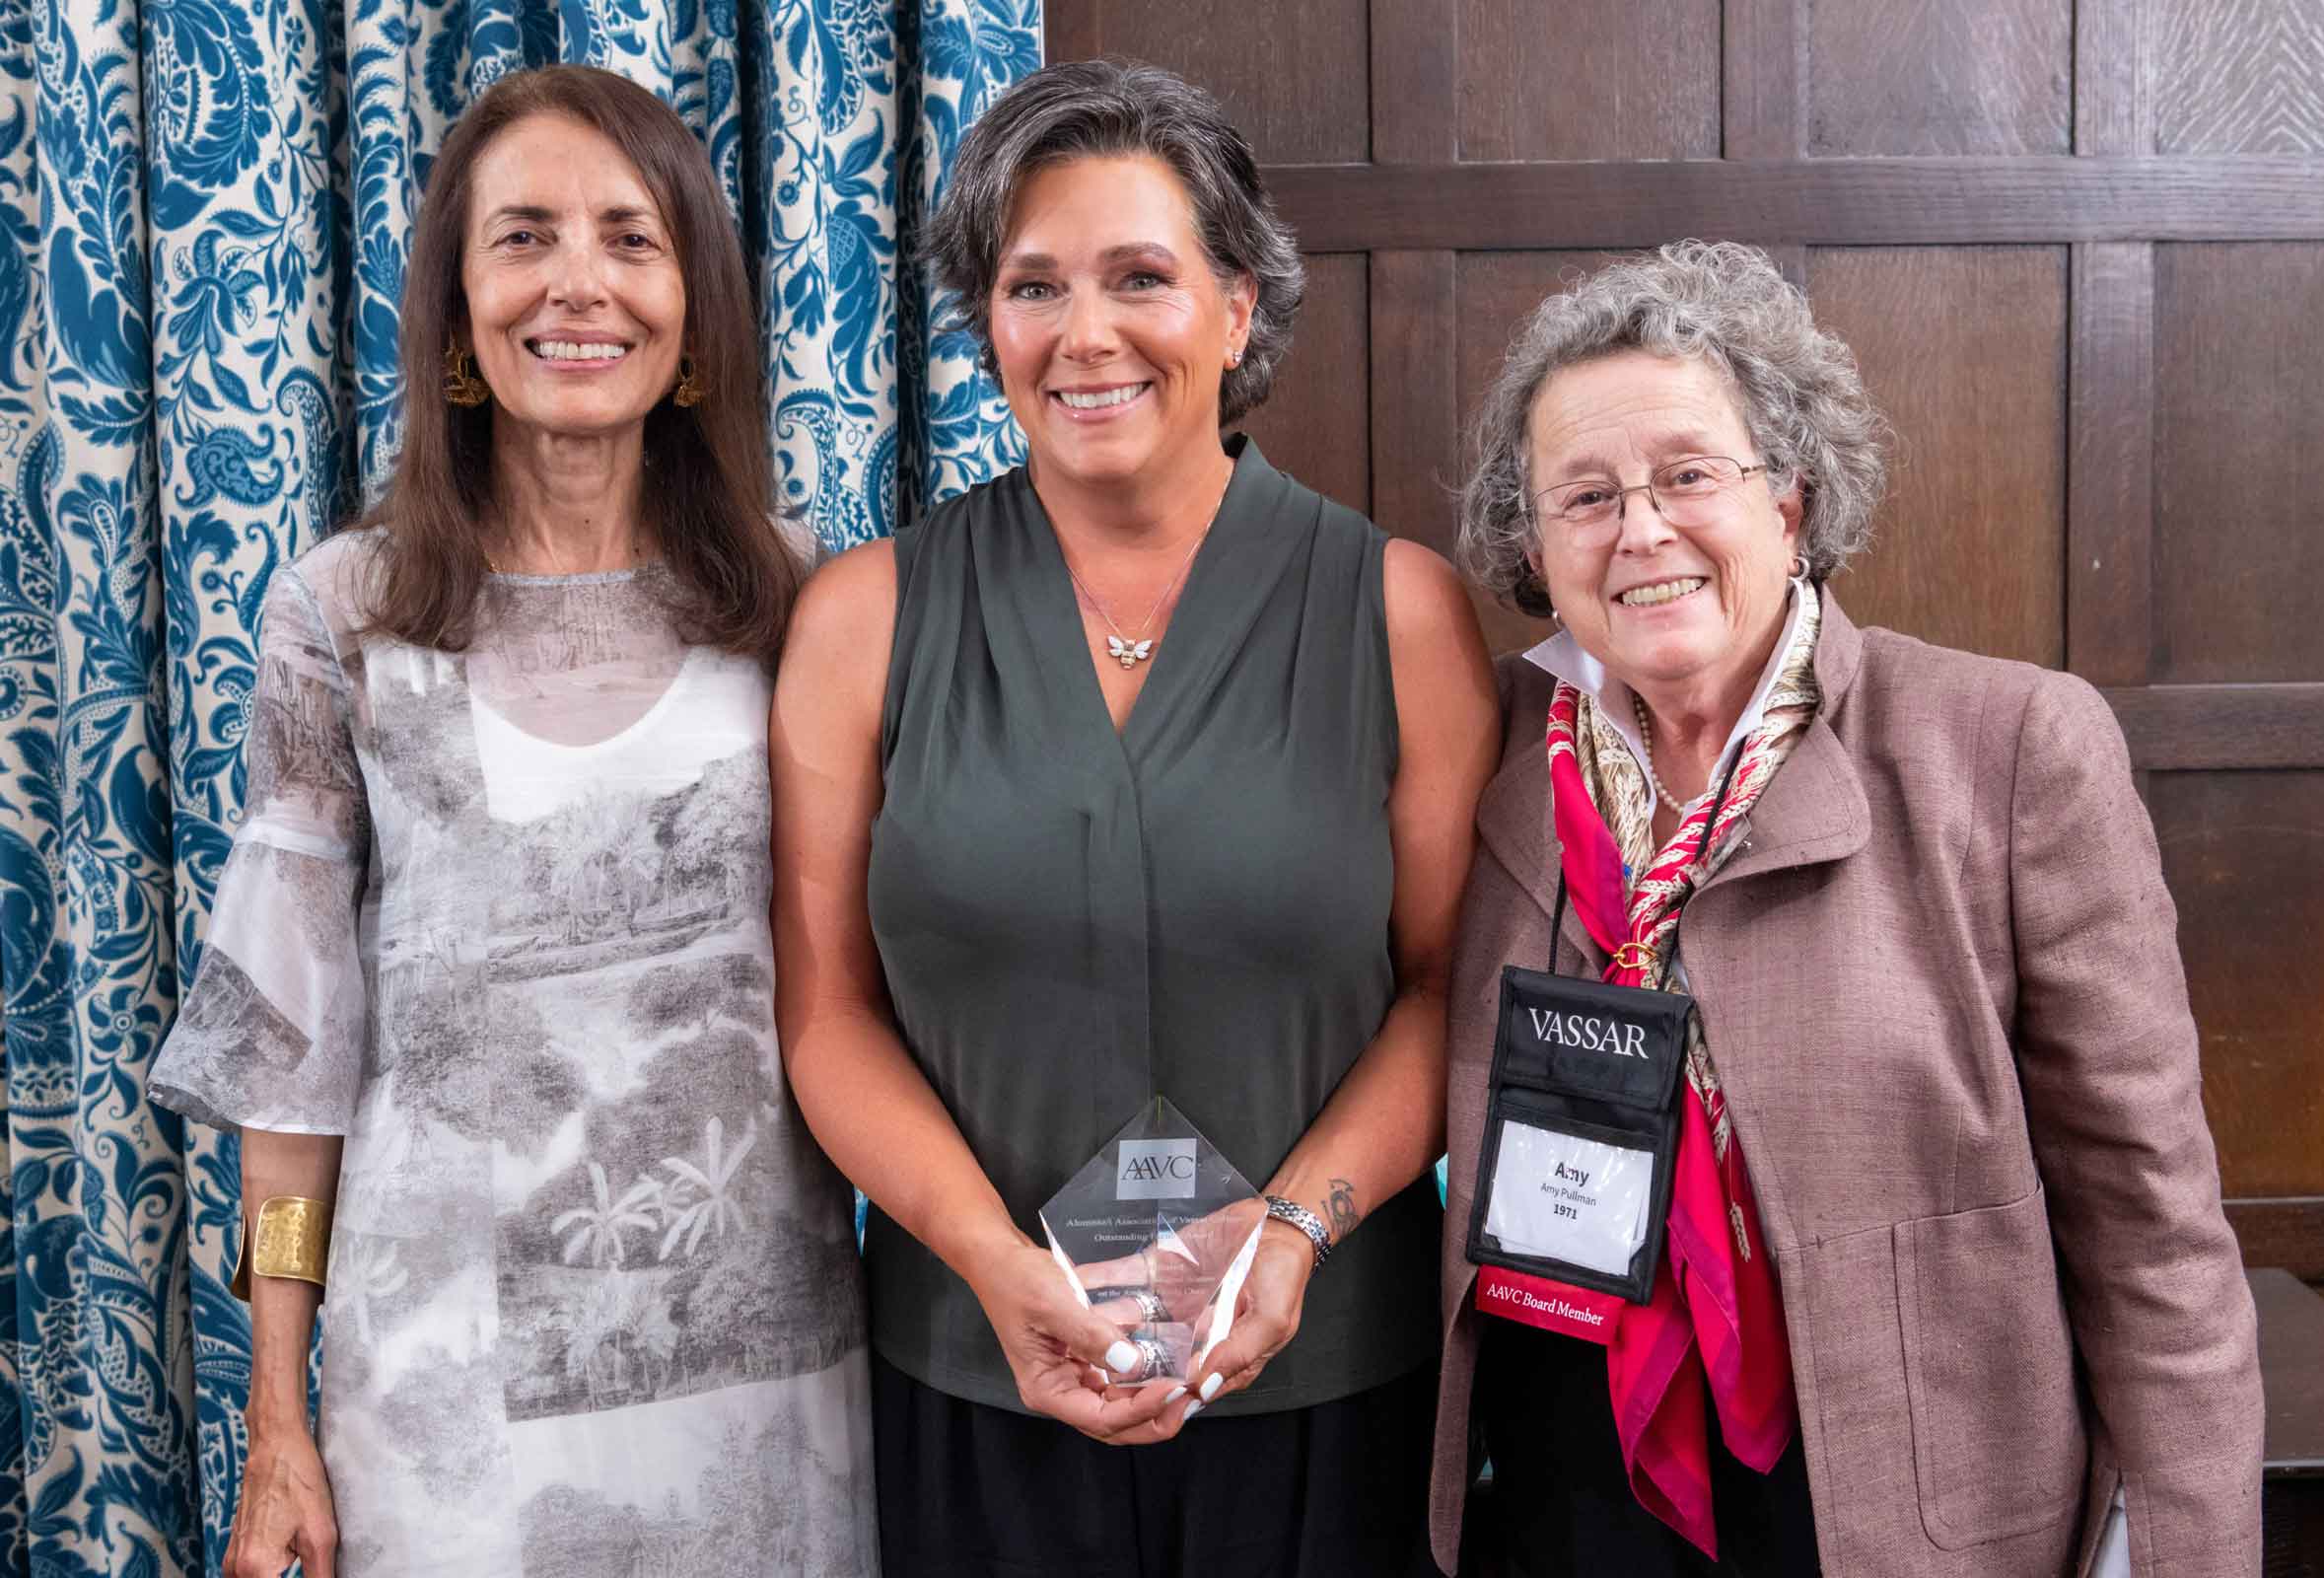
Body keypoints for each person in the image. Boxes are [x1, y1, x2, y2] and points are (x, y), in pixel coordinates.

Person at [1429, 241, 2263, 1577]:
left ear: (1796, 502)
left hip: (1895, 1500)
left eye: (1689, 475)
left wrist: (2182, 1549)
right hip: (1565, 1484)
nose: (1640, 529)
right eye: (1583, 494)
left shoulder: (2004, 749)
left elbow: (2150, 1224)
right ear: (1534, 542)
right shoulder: (1492, 754)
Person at [769, 58, 1496, 1578]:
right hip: (974, 1382)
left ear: (1238, 311)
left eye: (1140, 278)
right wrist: (991, 1267)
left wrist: (1292, 1236)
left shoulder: (1397, 612)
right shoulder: (864, 617)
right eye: (1034, 286)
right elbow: (827, 1013)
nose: (1083, 334)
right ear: (989, 324)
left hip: (1325, 1386)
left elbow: (1444, 993)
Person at [147, 65, 877, 1578]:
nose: (577, 285)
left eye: (629, 236)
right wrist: (275, 1417)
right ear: (460, 302)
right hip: (442, 1396)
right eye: (523, 236)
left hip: (758, 1365)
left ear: (694, 305)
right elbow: (295, 1059)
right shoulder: (341, 614)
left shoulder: (802, 597)